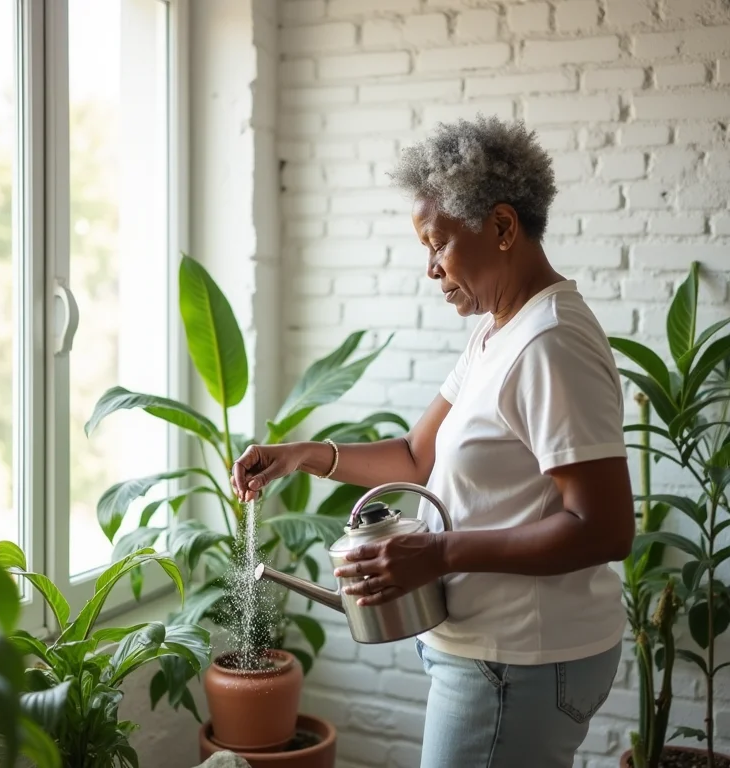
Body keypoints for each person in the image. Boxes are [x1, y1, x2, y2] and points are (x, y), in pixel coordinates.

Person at [231, 116, 634, 768]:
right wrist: (302, 454)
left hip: (519, 660)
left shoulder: (551, 343)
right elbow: (418, 457)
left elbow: (604, 527)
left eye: (437, 244)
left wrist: (438, 552)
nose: (431, 269)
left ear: (502, 228)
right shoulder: (498, 334)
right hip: (494, 656)